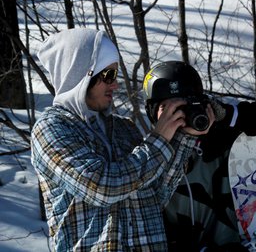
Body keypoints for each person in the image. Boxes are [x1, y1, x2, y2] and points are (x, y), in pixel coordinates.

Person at [31, 28, 215, 251]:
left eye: (115, 75)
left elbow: (155, 196)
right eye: (107, 75)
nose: (115, 85)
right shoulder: (52, 128)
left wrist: (183, 136)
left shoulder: (124, 128)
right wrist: (158, 139)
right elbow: (102, 187)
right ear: (80, 73)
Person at [142, 62, 256, 251]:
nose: (179, 115)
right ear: (153, 113)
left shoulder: (224, 140)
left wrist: (228, 115)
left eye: (186, 104)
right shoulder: (146, 159)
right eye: (169, 108)